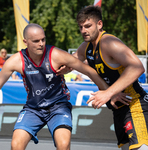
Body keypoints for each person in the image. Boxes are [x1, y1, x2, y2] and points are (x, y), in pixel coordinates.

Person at [0, 23, 110, 150]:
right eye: (36, 41)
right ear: (25, 42)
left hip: (58, 106)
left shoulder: (55, 54)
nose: (41, 44)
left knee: (63, 145)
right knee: (16, 145)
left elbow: (88, 70)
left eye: (43, 39)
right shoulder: (16, 60)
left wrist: (108, 92)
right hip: (33, 109)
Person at [58, 5, 148, 150]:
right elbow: (69, 63)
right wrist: (51, 67)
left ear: (100, 24)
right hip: (119, 109)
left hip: (135, 105)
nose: (84, 31)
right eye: (81, 27)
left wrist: (108, 92)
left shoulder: (109, 43)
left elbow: (137, 67)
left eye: (88, 26)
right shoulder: (85, 47)